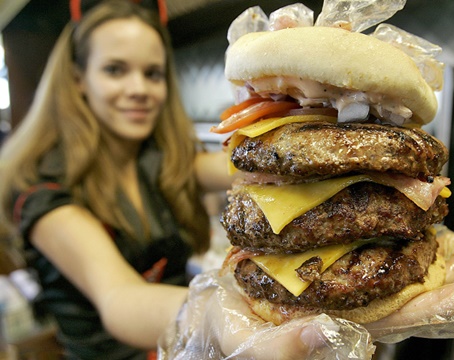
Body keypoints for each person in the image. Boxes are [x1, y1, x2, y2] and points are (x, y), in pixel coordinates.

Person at [0, 1, 329, 359]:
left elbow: (246, 168)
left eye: (152, 73)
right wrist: (213, 314)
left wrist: (304, 108)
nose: (139, 88)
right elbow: (118, 297)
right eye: (115, 70)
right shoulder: (43, 189)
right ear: (79, 79)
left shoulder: (161, 164)